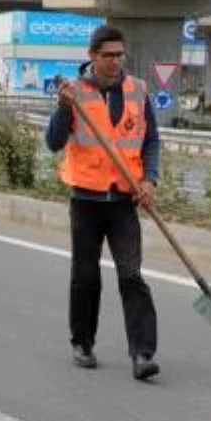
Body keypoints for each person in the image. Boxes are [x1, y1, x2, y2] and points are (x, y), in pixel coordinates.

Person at [45, 25, 161, 382]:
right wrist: (63, 110)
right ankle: (82, 342)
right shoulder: (74, 92)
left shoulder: (138, 90)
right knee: (85, 276)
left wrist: (149, 180)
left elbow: (151, 141)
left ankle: (142, 354)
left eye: (119, 54)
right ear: (92, 56)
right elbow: (53, 142)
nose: (115, 61)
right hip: (86, 199)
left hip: (124, 200)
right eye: (108, 55)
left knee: (132, 275)